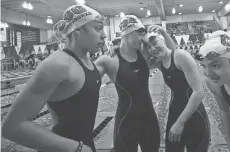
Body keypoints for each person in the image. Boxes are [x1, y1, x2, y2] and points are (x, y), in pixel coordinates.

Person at [2, 4, 106, 152]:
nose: (104, 35)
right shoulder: (57, 64)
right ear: (77, 31)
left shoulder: (88, 61)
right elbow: (12, 127)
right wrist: (77, 148)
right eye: (98, 28)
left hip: (85, 145)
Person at [95, 15, 176, 152]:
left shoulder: (144, 54)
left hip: (149, 120)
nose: (142, 37)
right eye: (139, 34)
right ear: (127, 33)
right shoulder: (110, 60)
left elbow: (172, 54)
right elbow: (86, 78)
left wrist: (163, 33)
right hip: (126, 122)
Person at [144, 32, 210, 152]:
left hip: (195, 117)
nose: (152, 48)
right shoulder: (159, 62)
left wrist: (180, 123)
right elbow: (136, 62)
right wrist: (116, 52)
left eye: (155, 43)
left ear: (163, 40)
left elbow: (198, 92)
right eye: (148, 47)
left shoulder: (181, 56)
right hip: (175, 114)